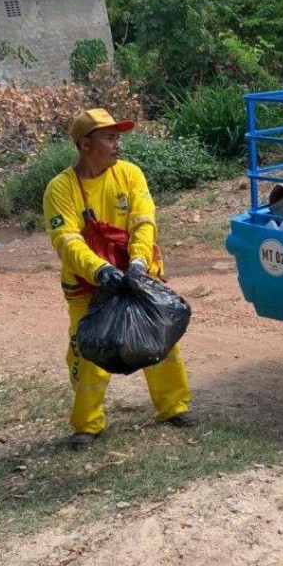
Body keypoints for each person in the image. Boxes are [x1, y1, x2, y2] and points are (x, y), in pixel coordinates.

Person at [44, 109, 193, 449]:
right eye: (109, 138)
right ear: (85, 145)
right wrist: (101, 271)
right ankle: (87, 425)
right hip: (88, 286)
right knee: (88, 351)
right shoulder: (61, 189)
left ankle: (173, 407)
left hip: (137, 277)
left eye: (117, 136)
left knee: (159, 339)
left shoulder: (130, 175)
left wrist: (138, 263)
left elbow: (143, 222)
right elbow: (66, 241)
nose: (117, 144)